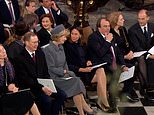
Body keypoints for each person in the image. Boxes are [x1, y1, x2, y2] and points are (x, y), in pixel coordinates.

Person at [42, 24, 95, 115]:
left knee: (75, 82)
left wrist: (68, 73)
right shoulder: (47, 49)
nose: (66, 39)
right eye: (64, 37)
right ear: (57, 37)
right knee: (76, 82)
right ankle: (85, 109)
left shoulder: (61, 47)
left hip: (63, 76)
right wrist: (65, 72)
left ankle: (82, 112)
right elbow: (51, 68)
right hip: (54, 78)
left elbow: (65, 63)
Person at [13, 32, 66, 115]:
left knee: (62, 95)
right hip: (31, 88)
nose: (36, 44)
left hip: (44, 85)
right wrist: (41, 88)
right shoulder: (19, 58)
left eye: (37, 42)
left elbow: (45, 71)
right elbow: (26, 79)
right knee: (47, 100)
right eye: (34, 42)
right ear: (26, 43)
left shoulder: (40, 53)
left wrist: (49, 84)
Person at [64, 26, 110, 112]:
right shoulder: (67, 46)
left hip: (87, 71)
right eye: (72, 34)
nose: (74, 36)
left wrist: (89, 61)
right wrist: (82, 69)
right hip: (78, 72)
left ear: (80, 35)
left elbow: (89, 56)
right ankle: (103, 101)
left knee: (101, 70)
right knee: (102, 78)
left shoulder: (83, 45)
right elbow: (68, 65)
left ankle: (102, 100)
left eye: (76, 34)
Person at [87, 17, 128, 112]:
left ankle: (114, 98)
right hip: (100, 66)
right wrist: (107, 41)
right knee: (113, 73)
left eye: (109, 26)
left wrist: (123, 65)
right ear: (99, 28)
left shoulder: (111, 35)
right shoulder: (93, 37)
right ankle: (108, 101)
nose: (107, 28)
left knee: (130, 69)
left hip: (111, 64)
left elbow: (117, 52)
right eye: (105, 26)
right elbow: (100, 53)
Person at [106, 11, 139, 103]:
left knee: (135, 65)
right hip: (116, 58)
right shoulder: (110, 32)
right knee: (128, 66)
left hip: (126, 56)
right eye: (121, 19)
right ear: (115, 21)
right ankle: (116, 93)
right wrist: (124, 57)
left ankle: (126, 92)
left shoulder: (123, 29)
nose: (123, 20)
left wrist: (131, 51)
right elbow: (112, 49)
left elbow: (129, 42)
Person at [0, 44, 40, 115]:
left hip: (11, 92)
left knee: (27, 97)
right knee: (26, 97)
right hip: (2, 95)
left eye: (3, 49)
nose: (3, 52)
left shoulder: (9, 62)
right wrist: (7, 88)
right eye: (0, 51)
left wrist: (14, 85)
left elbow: (16, 78)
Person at [128, 9, 154, 100]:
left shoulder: (152, 26)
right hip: (138, 53)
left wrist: (152, 53)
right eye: (139, 19)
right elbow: (137, 47)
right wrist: (148, 54)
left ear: (148, 18)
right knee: (143, 59)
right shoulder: (132, 30)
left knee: (151, 61)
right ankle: (148, 86)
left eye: (142, 19)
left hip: (150, 52)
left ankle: (148, 86)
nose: (140, 21)